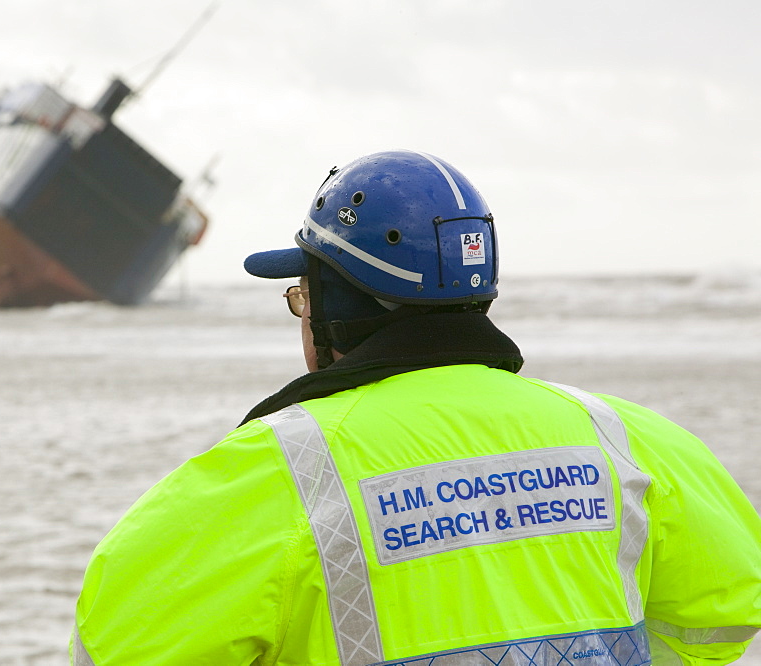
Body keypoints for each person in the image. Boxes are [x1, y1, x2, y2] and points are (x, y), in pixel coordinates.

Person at [71, 149, 761, 665]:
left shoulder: (275, 472)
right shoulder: (627, 439)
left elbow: (116, 649)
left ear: (337, 305)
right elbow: (727, 611)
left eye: (302, 296)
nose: (301, 317)